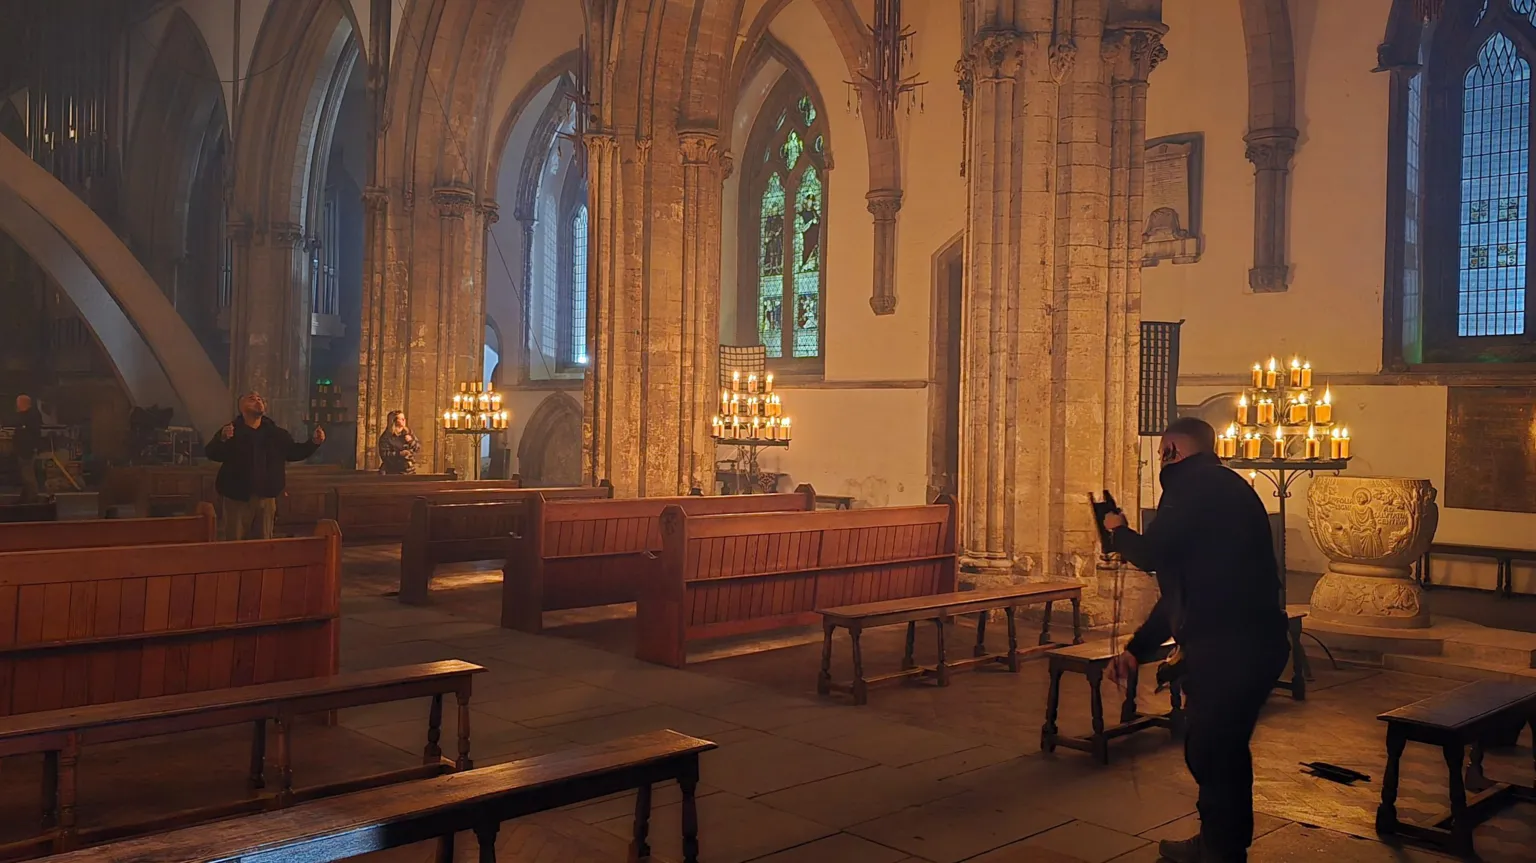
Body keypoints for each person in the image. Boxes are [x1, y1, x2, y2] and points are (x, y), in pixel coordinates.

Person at [1101, 416, 1289, 863]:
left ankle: (1221, 851)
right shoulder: (1224, 486)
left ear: (1173, 451)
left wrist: (1116, 530)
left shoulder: (1193, 487)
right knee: (1216, 748)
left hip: (1232, 647)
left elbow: (1151, 553)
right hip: (1248, 642)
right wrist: (1136, 650)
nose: (1161, 461)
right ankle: (1220, 843)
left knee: (1214, 750)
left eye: (1163, 453)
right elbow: (1181, 592)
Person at [204, 392, 325, 540]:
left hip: (266, 497)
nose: (257, 401)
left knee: (263, 543)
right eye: (251, 399)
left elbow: (294, 452)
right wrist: (222, 439)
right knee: (235, 542)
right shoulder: (231, 431)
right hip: (237, 498)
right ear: (241, 407)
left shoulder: (276, 434)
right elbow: (212, 454)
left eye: (259, 399)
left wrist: (314, 443)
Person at [11, 394, 42, 503]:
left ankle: (32, 497)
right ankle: (26, 496)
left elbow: (32, 434)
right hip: (23, 449)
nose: (17, 405)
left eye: (18, 403)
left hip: (27, 449)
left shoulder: (31, 417)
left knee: (28, 474)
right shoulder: (25, 416)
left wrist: (32, 447)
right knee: (25, 474)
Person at [377, 410, 420, 475]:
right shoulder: (386, 437)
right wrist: (399, 454)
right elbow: (384, 455)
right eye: (401, 419)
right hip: (393, 471)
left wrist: (411, 441)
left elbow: (417, 448)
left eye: (404, 418)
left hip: (409, 470)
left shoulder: (408, 432)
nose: (404, 420)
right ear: (394, 421)